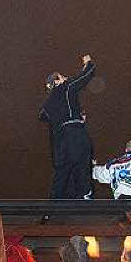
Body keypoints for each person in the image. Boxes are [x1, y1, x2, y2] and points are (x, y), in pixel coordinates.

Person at [40, 54, 96, 199]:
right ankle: (85, 195)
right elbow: (84, 77)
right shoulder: (64, 87)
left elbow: (46, 117)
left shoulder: (48, 104)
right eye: (62, 76)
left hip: (59, 141)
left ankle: (54, 204)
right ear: (57, 81)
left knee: (64, 170)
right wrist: (88, 63)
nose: (65, 77)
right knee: (83, 161)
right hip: (74, 133)